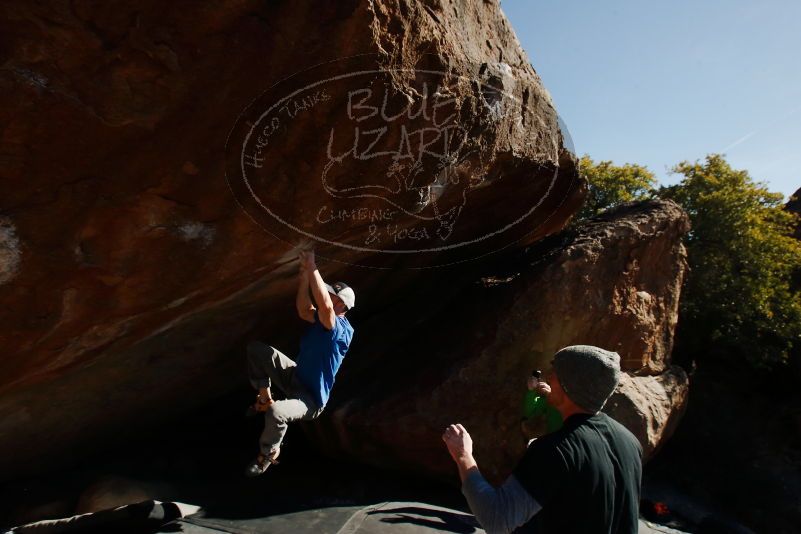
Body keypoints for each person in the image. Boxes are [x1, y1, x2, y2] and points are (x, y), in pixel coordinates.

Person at [442, 345, 642, 533]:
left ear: (567, 386)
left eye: (554, 373)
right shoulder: (630, 442)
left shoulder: (555, 450)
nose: (547, 378)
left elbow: (498, 518)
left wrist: (463, 455)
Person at [244, 249, 355, 477]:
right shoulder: (324, 321)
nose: (328, 296)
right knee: (257, 350)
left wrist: (313, 266)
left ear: (342, 306)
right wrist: (304, 278)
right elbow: (305, 310)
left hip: (310, 400)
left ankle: (268, 453)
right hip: (295, 375)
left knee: (277, 413)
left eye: (334, 296)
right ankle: (264, 398)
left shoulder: (341, 330)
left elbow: (324, 306)